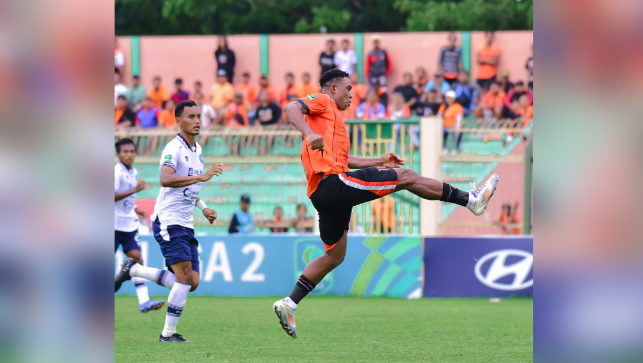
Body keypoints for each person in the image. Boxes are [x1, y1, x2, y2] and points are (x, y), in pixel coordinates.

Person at [274, 69, 498, 338]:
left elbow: (344, 162)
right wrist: (309, 134)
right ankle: (470, 200)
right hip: (331, 184)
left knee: (335, 255)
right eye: (348, 89)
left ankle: (289, 303)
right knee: (406, 177)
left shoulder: (334, 124)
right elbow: (290, 108)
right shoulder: (323, 102)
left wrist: (377, 161)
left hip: (324, 191)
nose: (351, 95)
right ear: (333, 88)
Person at [115, 100, 224, 342]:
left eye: (199, 116)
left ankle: (134, 269)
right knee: (184, 277)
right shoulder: (173, 148)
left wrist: (204, 208)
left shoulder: (198, 151)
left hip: (186, 222)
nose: (197, 121)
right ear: (178, 121)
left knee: (191, 281)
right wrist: (203, 177)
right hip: (168, 221)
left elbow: (191, 187)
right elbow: (166, 178)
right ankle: (168, 334)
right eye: (191, 117)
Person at [114, 138, 164, 312]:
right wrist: (135, 189)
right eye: (125, 152)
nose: (129, 155)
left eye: (132, 151)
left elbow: (125, 198)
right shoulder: (116, 172)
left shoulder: (133, 172)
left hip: (129, 224)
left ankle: (144, 301)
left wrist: (136, 208)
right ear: (118, 154)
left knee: (137, 260)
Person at [438, 90, 464, 155]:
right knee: (440, 132)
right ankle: (444, 148)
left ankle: (455, 149)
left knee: (457, 133)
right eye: (448, 98)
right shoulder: (443, 107)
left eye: (450, 98)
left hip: (453, 127)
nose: (449, 100)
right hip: (444, 127)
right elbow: (438, 116)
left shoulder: (457, 107)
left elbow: (459, 118)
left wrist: (457, 127)